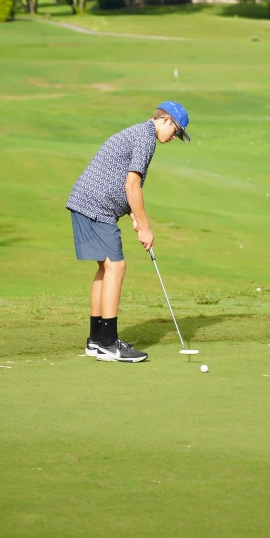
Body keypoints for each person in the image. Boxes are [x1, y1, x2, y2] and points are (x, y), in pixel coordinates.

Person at [66, 101, 190, 363]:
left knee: (105, 268)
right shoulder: (146, 139)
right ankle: (109, 345)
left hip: (86, 203)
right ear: (166, 120)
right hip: (96, 207)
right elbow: (132, 186)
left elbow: (122, 183)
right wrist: (145, 228)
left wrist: (134, 216)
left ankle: (97, 341)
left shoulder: (139, 133)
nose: (175, 138)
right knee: (116, 267)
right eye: (177, 131)